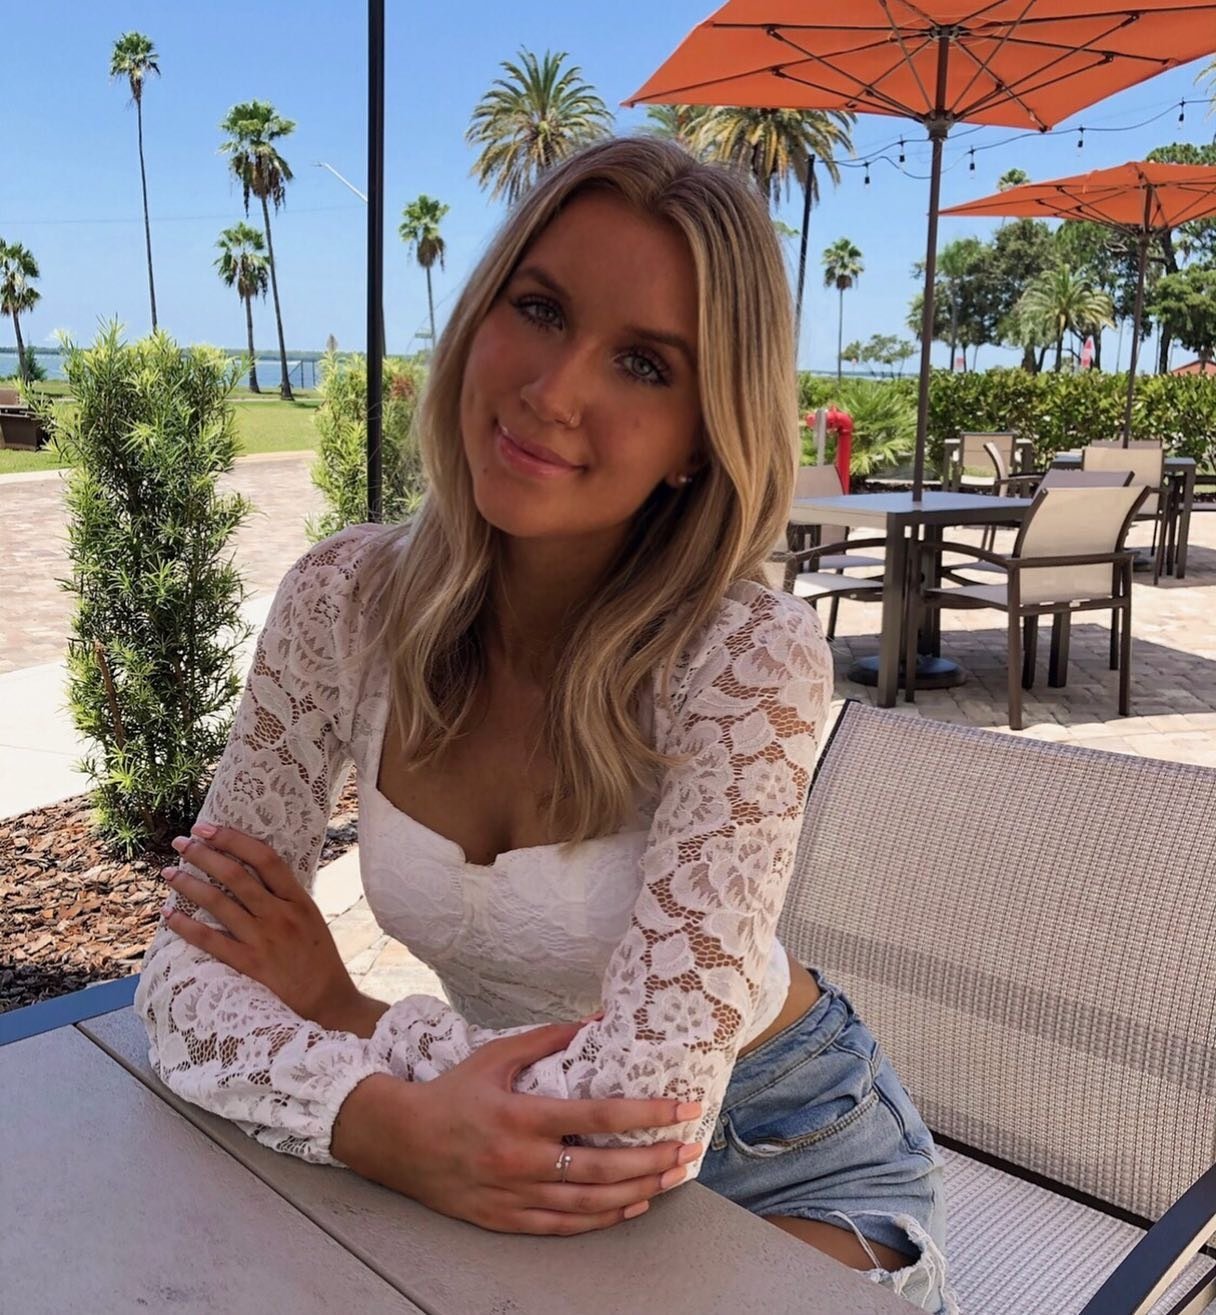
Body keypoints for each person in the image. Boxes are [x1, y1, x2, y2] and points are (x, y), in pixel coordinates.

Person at [135, 135, 956, 1313]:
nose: (555, 390)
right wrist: (378, 1120)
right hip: (488, 1146)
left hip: (792, 1158)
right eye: (540, 307)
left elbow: (635, 1120)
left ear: (698, 437)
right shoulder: (341, 605)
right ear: (481, 313)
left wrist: (354, 1022)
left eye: (643, 363)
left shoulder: (740, 656)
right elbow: (183, 972)